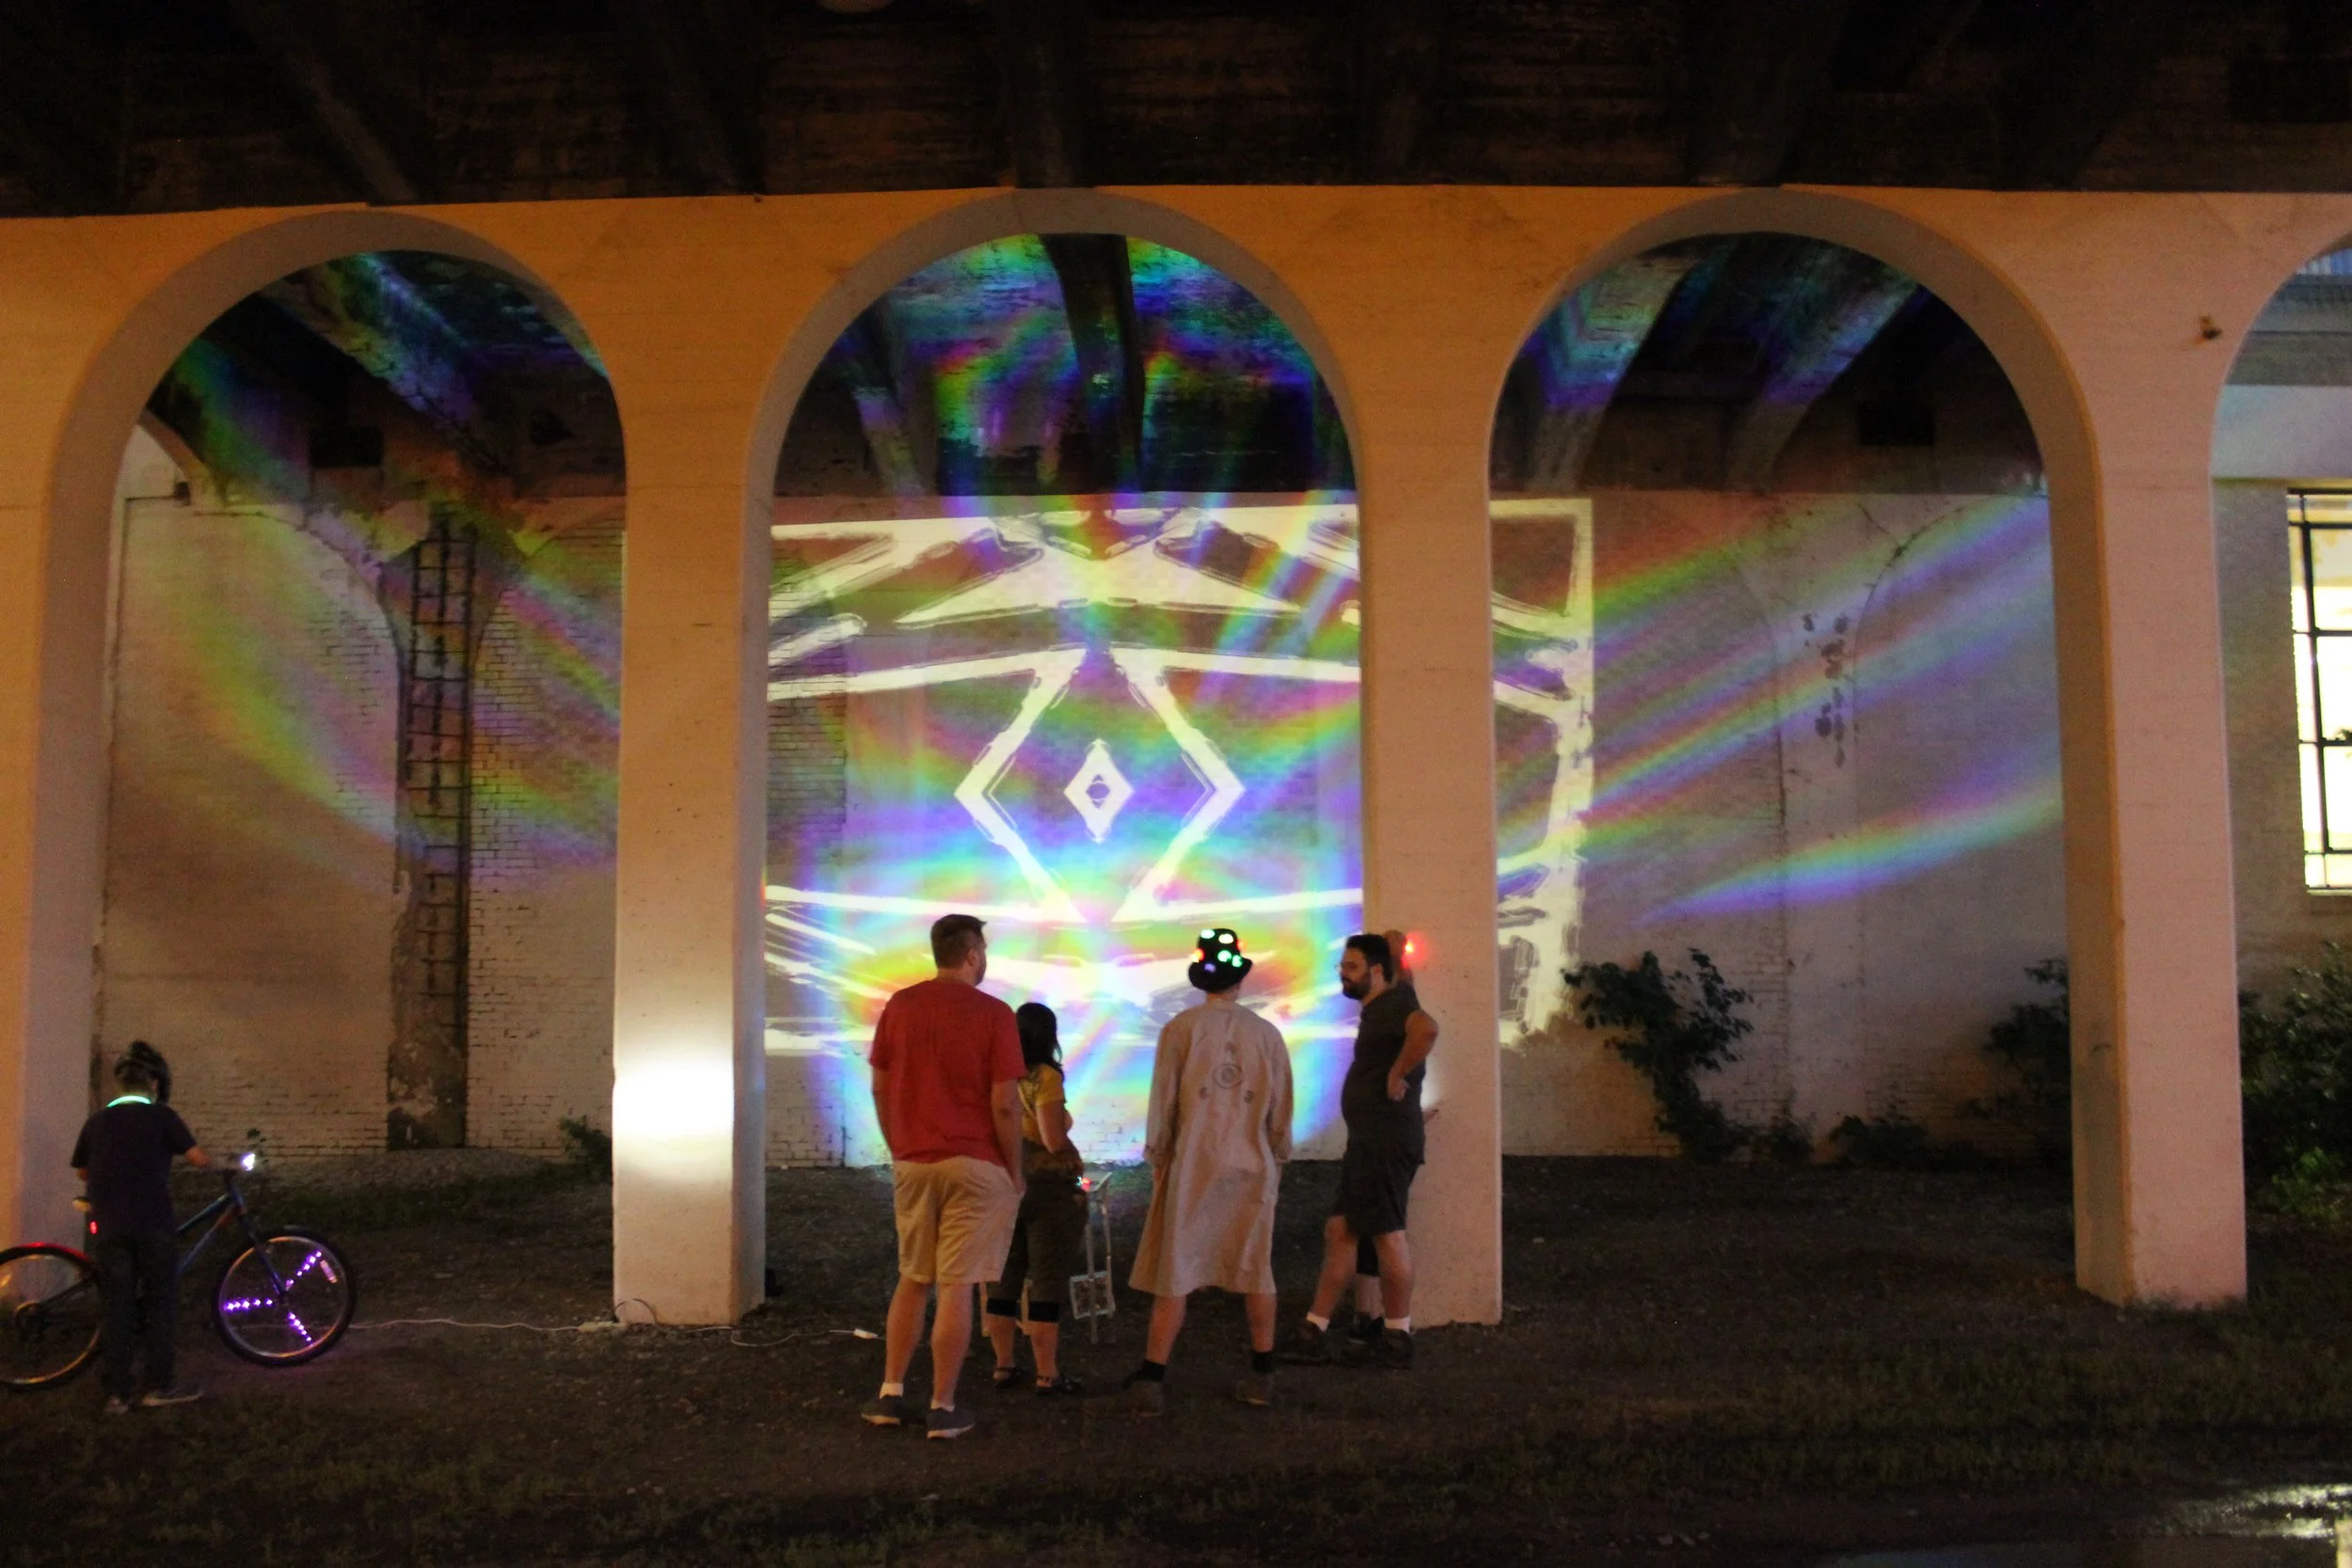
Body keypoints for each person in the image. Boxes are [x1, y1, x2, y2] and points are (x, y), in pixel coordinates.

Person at [861, 913, 1027, 1440]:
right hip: (975, 1164)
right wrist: (1015, 1170)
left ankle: (890, 1393)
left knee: (913, 1277)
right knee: (957, 1286)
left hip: (914, 1161)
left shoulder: (901, 1006)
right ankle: (943, 1405)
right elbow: (1005, 1105)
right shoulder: (995, 1014)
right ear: (973, 954)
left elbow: (880, 1088)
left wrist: (899, 1146)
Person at [1120, 927, 1295, 1415]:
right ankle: (1263, 1372)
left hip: (1194, 1164)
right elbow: (1280, 1113)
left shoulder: (1180, 1030)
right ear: (1240, 980)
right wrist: (1276, 1155)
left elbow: (1165, 1105)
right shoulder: (1267, 1035)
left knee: (1177, 1266)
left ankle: (1153, 1377)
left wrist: (1160, 1160)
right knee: (1255, 1266)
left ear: (1201, 980)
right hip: (1251, 1163)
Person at [1282, 930, 1437, 1370]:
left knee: (1388, 1235)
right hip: (1369, 1142)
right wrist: (1394, 946)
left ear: (1375, 972)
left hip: (1385, 1143)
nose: (1343, 977)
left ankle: (1396, 1337)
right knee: (1340, 1230)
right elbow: (1393, 946)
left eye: (1351, 969)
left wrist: (1397, 1073)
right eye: (1341, 968)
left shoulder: (1395, 1007)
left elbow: (1427, 1030)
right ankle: (1315, 1330)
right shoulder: (1390, 999)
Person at [70, 1044, 212, 1415]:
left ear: (119, 1083)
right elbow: (198, 1159)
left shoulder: (97, 1121)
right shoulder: (162, 1117)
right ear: (152, 1082)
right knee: (160, 1302)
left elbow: (83, 1171)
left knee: (117, 1307)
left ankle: (117, 1394)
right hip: (153, 1224)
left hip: (111, 1225)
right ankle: (158, 1387)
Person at [982, 1002, 1089, 1396]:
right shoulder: (1044, 1076)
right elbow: (1052, 1139)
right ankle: (1047, 1374)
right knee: (1046, 1278)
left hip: (1003, 1181)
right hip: (1046, 1186)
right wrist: (1073, 1159)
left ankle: (1004, 1366)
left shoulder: (995, 1074)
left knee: (1004, 1277)